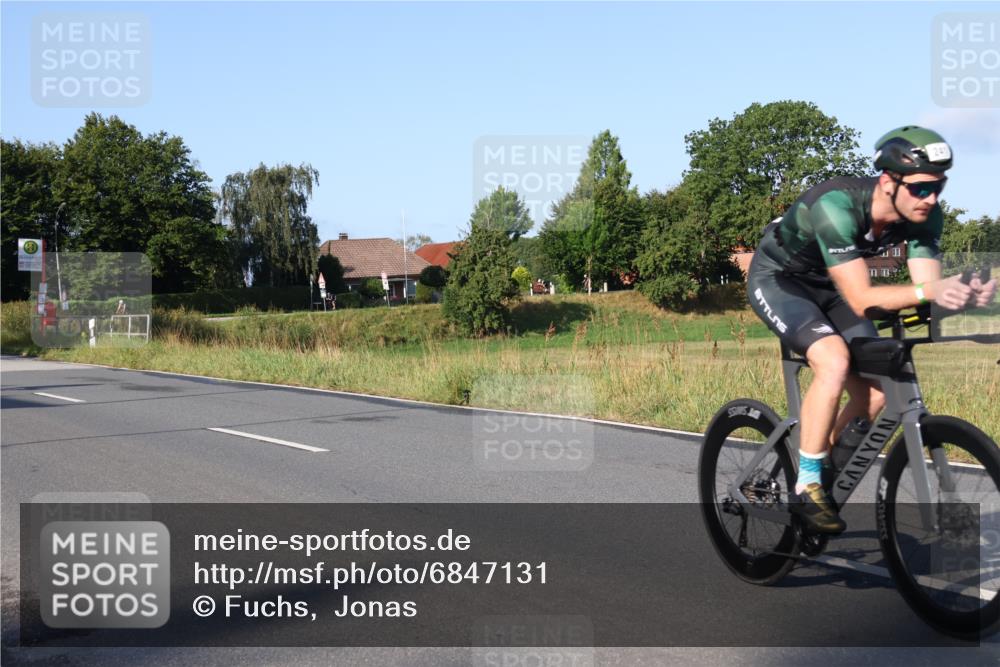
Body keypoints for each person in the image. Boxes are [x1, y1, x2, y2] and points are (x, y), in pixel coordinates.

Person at [746, 126, 997, 534]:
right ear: (888, 181)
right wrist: (931, 290)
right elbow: (863, 298)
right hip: (780, 280)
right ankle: (807, 484)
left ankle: (822, 463)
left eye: (938, 186)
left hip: (833, 288)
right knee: (832, 360)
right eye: (919, 189)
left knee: (879, 390)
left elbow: (924, 288)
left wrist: (963, 296)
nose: (930, 198)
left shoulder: (926, 216)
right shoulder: (836, 205)